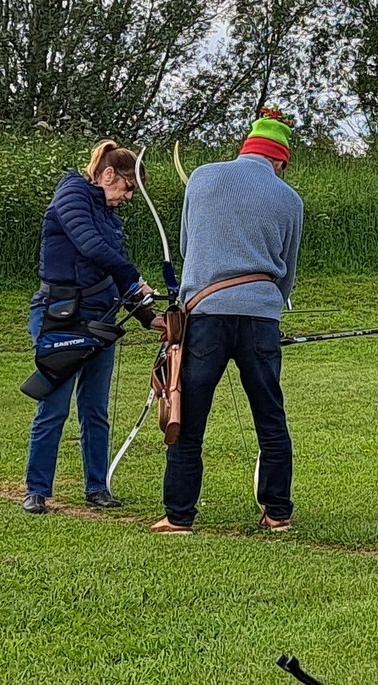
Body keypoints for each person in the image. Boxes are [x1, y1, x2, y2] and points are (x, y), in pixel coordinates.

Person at [154, 109, 305, 535]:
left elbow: (187, 246)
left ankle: (178, 515)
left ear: (246, 149)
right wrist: (272, 304)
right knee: (270, 417)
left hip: (205, 312)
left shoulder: (202, 176)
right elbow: (287, 271)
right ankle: (278, 512)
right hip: (260, 315)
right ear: (280, 161)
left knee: (190, 412)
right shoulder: (289, 199)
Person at [24, 141, 161, 514]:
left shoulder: (108, 216)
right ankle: (36, 489)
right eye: (127, 187)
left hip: (100, 320)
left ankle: (97, 487)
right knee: (53, 406)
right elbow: (93, 248)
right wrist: (136, 280)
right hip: (60, 316)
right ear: (106, 174)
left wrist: (150, 316)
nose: (128, 196)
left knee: (95, 409)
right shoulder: (71, 196)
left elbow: (111, 273)